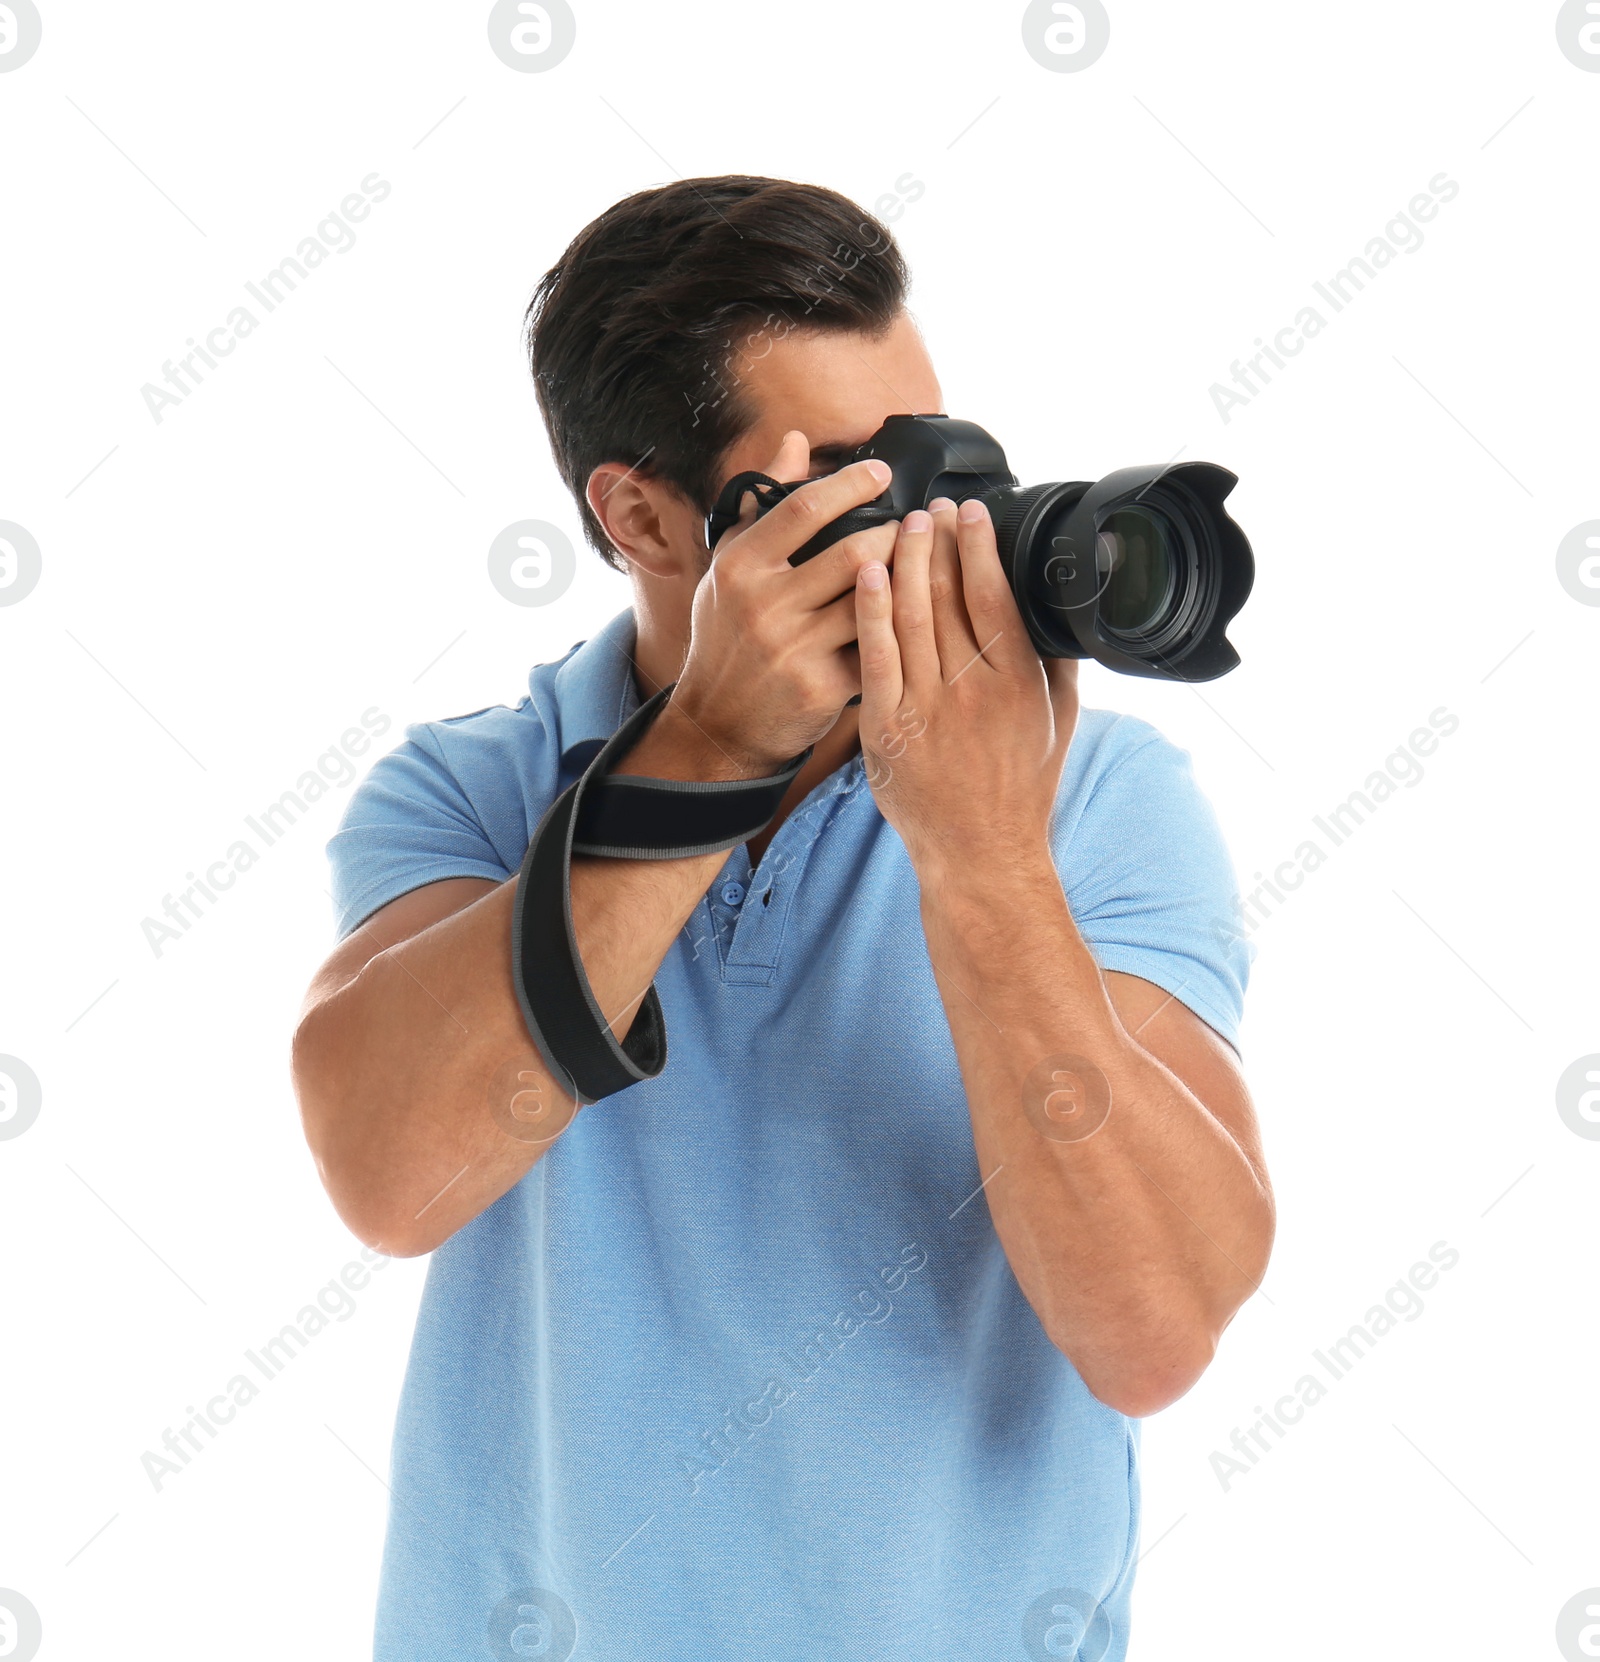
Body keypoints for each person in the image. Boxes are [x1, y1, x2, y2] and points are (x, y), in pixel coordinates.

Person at [291, 174, 1274, 1662]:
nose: (934, 518)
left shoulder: (1096, 804)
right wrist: (703, 753)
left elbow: (1152, 1329)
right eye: (854, 478)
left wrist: (987, 854)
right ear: (641, 514)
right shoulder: (473, 793)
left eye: (942, 453)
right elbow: (390, 1173)